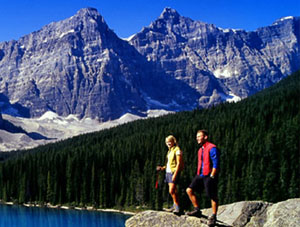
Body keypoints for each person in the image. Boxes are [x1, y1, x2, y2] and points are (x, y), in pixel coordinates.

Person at [186, 130, 220, 226]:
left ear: (205, 137)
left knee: (212, 195)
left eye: (199, 136)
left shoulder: (212, 148)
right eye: (197, 136)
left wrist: (212, 175)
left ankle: (214, 216)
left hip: (209, 175)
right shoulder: (200, 149)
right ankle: (197, 209)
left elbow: (216, 163)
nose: (197, 138)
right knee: (189, 190)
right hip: (200, 175)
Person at [157, 135, 183, 215]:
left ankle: (177, 206)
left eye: (169, 141)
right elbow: (169, 163)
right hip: (168, 172)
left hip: (173, 172)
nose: (168, 143)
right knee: (173, 190)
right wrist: (162, 168)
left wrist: (175, 174)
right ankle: (175, 205)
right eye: (166, 142)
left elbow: (178, 163)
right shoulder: (169, 151)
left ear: (173, 141)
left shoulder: (177, 150)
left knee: (171, 190)